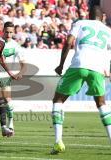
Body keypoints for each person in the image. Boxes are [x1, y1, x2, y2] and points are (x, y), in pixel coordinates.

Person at [50, 6, 111, 154]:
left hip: (79, 64)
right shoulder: (108, 31)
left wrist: (61, 65)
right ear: (102, 17)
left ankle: (58, 141)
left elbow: (69, 42)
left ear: (89, 15)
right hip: (97, 69)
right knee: (101, 103)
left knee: (58, 100)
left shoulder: (80, 23)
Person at [0, 21, 27, 133]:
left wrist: (20, 73)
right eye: (6, 32)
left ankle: (10, 124)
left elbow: (24, 64)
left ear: (13, 32)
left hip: (6, 76)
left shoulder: (16, 46)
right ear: (3, 31)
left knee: (8, 101)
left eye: (11, 32)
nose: (8, 34)